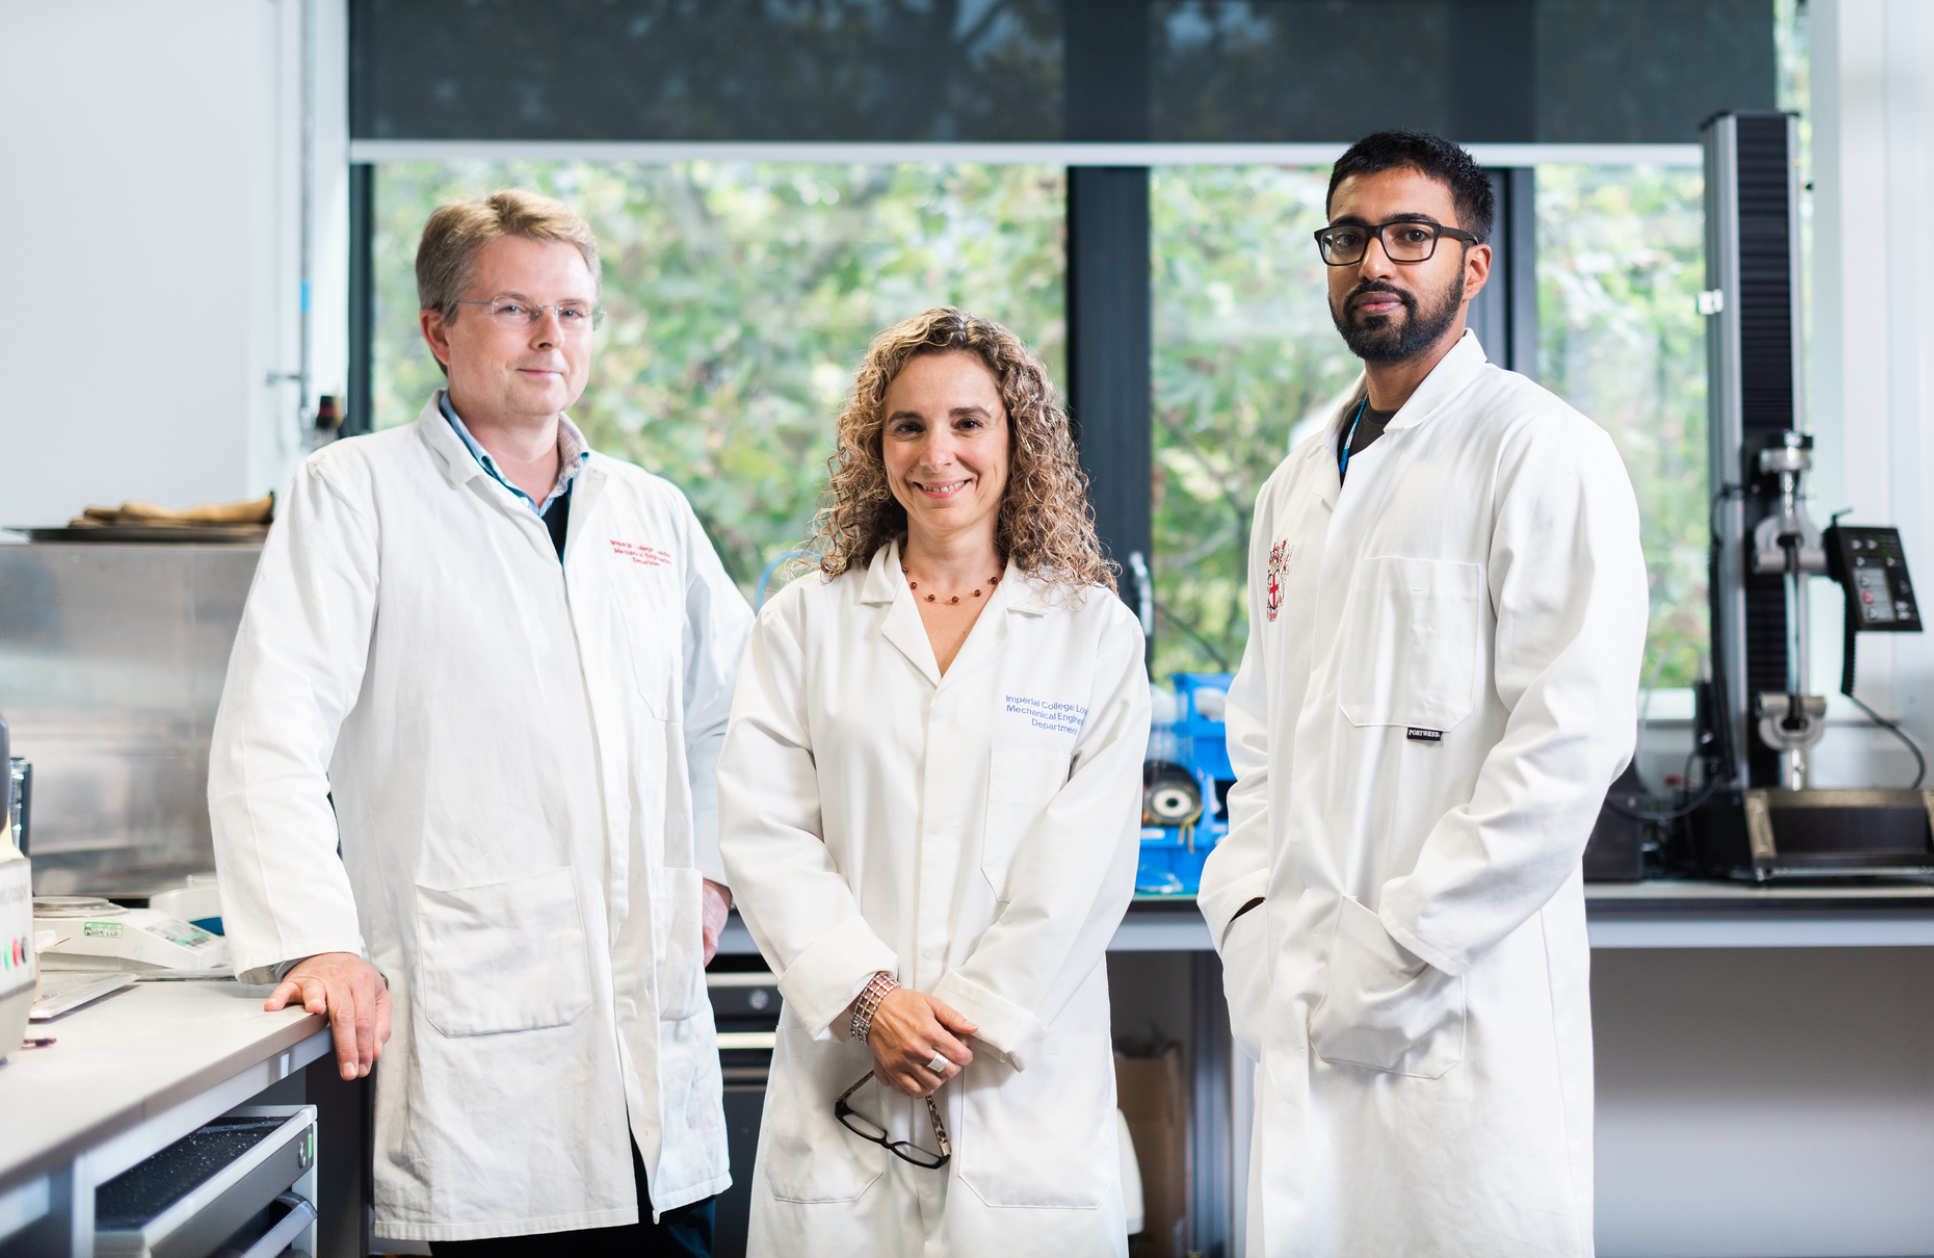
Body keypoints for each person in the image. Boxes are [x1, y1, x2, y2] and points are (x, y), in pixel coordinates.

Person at [207, 190, 751, 1253]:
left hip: (659, 1078)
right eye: (515, 308)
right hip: (488, 1066)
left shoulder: (650, 514)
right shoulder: (354, 493)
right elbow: (270, 732)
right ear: (437, 329)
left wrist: (712, 871)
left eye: (575, 312)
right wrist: (319, 938)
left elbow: (735, 716)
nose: (552, 337)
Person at [1198, 131, 1649, 1257]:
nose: (1375, 264)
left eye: (1411, 235)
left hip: (1458, 1013)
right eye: (1348, 237)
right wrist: (1248, 926)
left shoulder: (1540, 450)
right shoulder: (1297, 481)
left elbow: (1564, 747)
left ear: (1473, 264)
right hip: (1297, 993)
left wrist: (1397, 951)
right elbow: (1260, 735)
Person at [717, 308, 1149, 1257]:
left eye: (968, 422)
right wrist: (874, 1002)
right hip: (846, 1076)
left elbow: (1084, 863)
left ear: (1015, 439)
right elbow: (764, 834)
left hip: (1015, 1084)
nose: (937, 452)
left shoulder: (1091, 634)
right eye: (908, 426)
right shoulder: (805, 625)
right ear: (877, 450)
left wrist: (963, 1020)